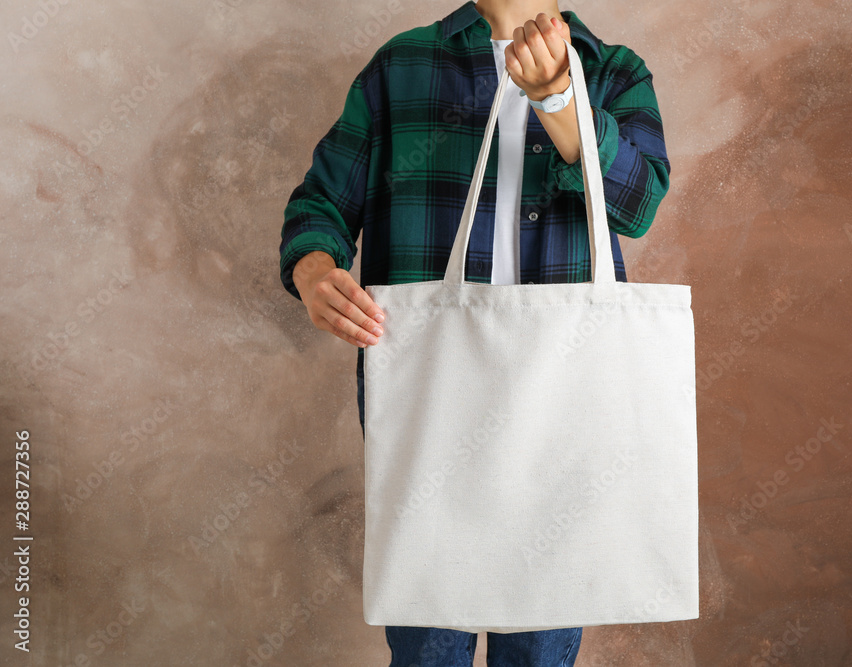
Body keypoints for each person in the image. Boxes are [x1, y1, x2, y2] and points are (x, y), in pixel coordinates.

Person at [278, 0, 670, 664]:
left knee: (540, 644)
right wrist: (315, 269)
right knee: (428, 642)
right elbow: (321, 202)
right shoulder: (400, 67)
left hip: (562, 403)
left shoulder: (611, 72)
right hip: (431, 398)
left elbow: (637, 203)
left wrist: (562, 101)